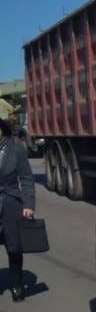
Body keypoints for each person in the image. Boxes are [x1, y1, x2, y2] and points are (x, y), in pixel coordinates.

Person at [0, 118, 36, 302]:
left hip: (11, 205)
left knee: (14, 247)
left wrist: (28, 204)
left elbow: (27, 178)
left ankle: (17, 283)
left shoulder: (16, 151)